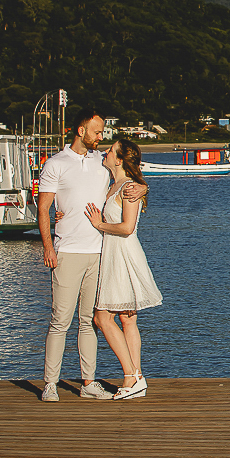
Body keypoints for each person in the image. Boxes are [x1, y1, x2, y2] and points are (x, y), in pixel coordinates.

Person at [38, 110, 145, 402]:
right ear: (81, 130)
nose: (101, 137)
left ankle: (88, 382)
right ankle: (50, 384)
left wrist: (143, 186)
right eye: (97, 132)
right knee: (60, 321)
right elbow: (44, 208)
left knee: (89, 321)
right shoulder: (55, 164)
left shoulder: (102, 161)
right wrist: (48, 247)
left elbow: (129, 173)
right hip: (67, 251)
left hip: (99, 253)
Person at [85, 138, 162, 400]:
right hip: (113, 252)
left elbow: (127, 227)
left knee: (102, 318)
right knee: (127, 319)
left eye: (110, 150)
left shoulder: (129, 187)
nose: (105, 152)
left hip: (123, 253)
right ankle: (137, 378)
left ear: (119, 160)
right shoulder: (115, 185)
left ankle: (131, 375)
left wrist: (99, 225)